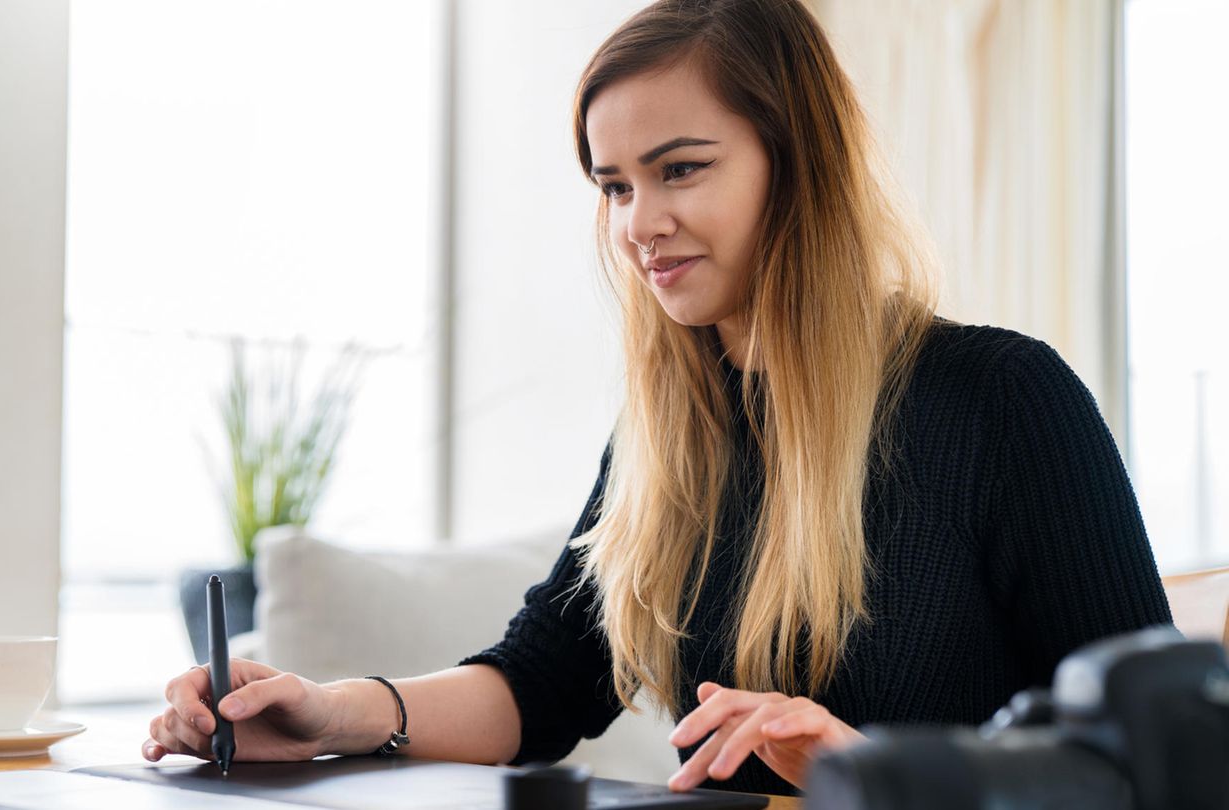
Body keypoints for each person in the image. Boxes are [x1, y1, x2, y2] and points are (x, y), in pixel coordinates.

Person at [142, 0, 1172, 797]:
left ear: (798, 165)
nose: (640, 223)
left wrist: (869, 772)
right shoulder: (673, 430)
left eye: (681, 170)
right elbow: (546, 679)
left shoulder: (1003, 400)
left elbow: (1156, 758)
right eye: (615, 185)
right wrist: (329, 713)